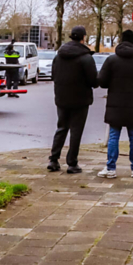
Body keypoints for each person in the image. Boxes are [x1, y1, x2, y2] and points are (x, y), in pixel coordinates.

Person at [96, 29, 133, 178]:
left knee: (114, 136)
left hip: (115, 105)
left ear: (121, 42)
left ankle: (111, 168)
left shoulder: (111, 60)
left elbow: (101, 82)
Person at [48, 26, 99, 174]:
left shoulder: (59, 56)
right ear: (83, 38)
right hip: (80, 100)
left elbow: (53, 76)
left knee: (61, 127)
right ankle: (72, 163)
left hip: (62, 98)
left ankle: (53, 159)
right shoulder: (86, 57)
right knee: (76, 131)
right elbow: (93, 81)